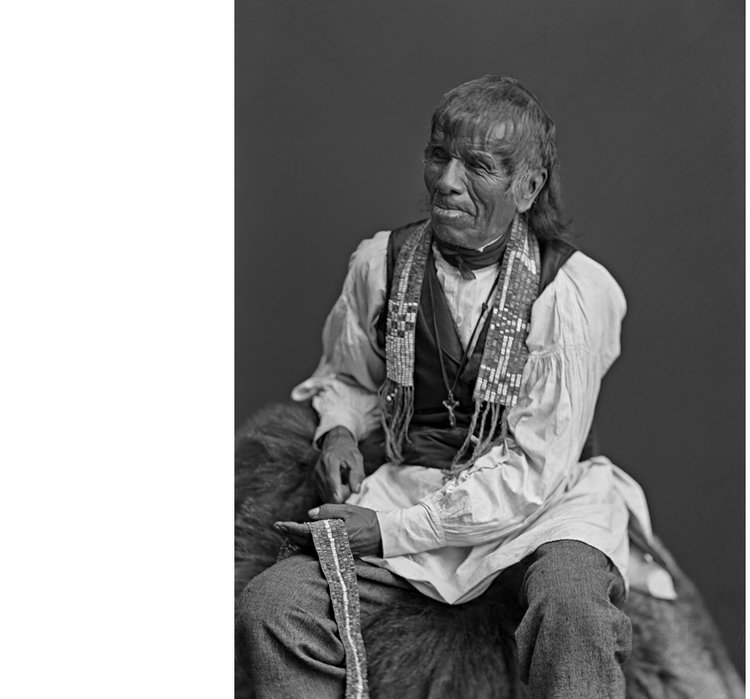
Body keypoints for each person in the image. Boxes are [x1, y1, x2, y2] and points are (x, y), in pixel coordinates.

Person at [237, 75, 679, 699]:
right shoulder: (381, 264)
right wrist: (338, 429)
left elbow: (533, 472)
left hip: (541, 508)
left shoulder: (573, 294)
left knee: (573, 606)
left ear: (527, 188)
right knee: (273, 605)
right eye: (439, 155)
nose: (447, 180)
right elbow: (349, 377)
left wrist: (388, 533)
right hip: (409, 485)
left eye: (479, 166)